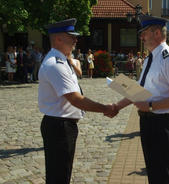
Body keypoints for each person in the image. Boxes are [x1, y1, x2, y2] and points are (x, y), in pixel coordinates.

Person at [39, 18, 118, 184]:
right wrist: (105, 107)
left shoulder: (63, 60)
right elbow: (75, 98)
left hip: (62, 125)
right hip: (59, 126)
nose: (76, 40)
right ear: (59, 38)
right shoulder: (56, 64)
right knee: (59, 176)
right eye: (71, 36)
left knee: (62, 173)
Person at [111, 15, 169, 184]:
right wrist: (117, 106)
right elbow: (138, 91)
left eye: (144, 33)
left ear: (157, 33)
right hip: (148, 122)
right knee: (153, 171)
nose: (141, 37)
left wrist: (151, 106)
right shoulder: (150, 58)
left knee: (160, 173)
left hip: (160, 122)